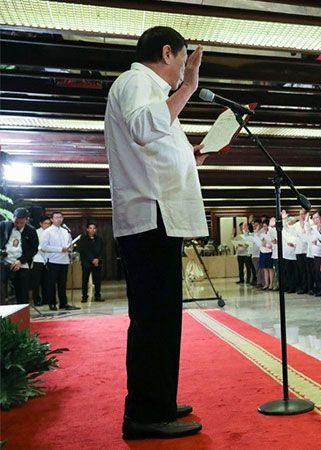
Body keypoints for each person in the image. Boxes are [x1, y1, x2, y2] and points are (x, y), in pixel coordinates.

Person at [105, 26, 206, 439]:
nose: (185, 69)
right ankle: (145, 414)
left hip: (159, 217)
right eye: (183, 60)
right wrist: (190, 89)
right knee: (152, 319)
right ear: (167, 53)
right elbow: (144, 128)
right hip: (150, 219)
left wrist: (190, 155)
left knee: (163, 318)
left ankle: (159, 400)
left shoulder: (149, 91)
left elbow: (154, 146)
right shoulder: (136, 81)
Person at [40, 211, 79, 311]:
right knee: (51, 283)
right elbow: (44, 247)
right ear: (52, 219)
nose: (59, 219)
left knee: (63, 283)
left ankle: (63, 303)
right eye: (56, 217)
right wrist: (59, 249)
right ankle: (52, 303)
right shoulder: (47, 231)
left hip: (64, 260)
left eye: (61, 217)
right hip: (52, 260)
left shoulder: (66, 231)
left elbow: (68, 244)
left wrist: (71, 247)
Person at [0, 208, 37, 305]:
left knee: (22, 290)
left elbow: (33, 249)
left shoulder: (31, 231)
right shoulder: (4, 226)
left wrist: (21, 261)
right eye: (16, 222)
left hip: (21, 263)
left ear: (26, 220)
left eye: (21, 223)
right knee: (1, 287)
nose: (18, 225)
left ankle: (22, 313)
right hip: (4, 261)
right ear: (13, 218)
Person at [78, 222, 104, 303]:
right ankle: (84, 296)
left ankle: (97, 296)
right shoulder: (83, 238)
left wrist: (97, 259)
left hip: (97, 262)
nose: (92, 230)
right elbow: (84, 250)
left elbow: (102, 250)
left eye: (94, 228)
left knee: (97, 280)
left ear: (96, 230)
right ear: (87, 229)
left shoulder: (99, 239)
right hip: (86, 262)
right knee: (85, 280)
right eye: (90, 228)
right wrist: (92, 259)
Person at [30, 216, 51, 306]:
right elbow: (34, 245)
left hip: (48, 259)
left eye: (49, 224)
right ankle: (37, 299)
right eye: (45, 223)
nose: (48, 225)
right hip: (37, 259)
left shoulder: (51, 233)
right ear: (41, 224)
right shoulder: (36, 232)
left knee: (46, 281)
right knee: (36, 282)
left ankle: (46, 299)